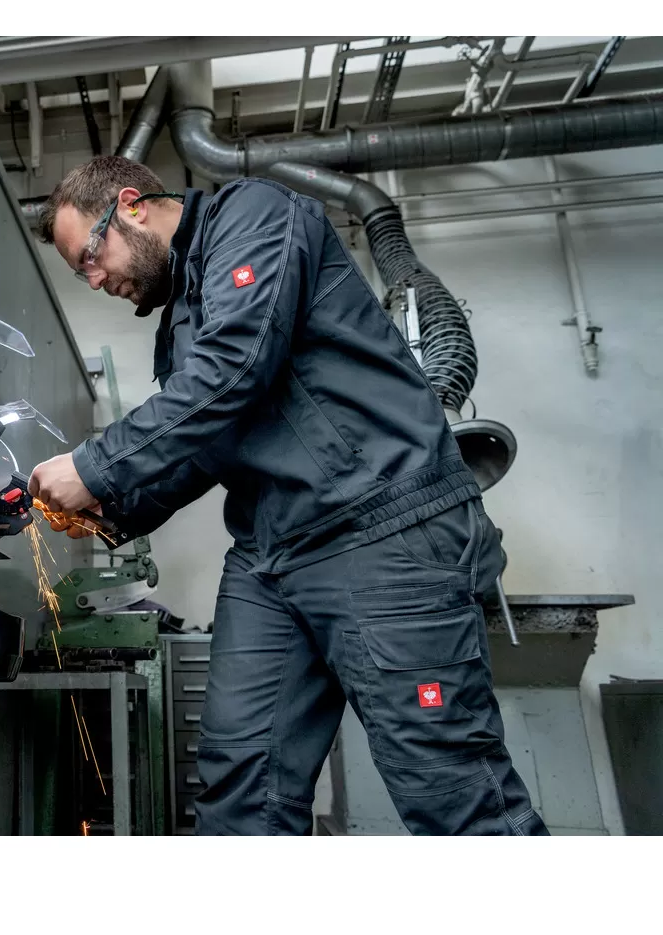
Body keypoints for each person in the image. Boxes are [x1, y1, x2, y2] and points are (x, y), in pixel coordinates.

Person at [27, 155, 548, 837]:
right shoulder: (181, 314)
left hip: (378, 527)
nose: (94, 280)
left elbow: (236, 366)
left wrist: (95, 464)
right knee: (242, 786)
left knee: (450, 788)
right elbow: (211, 438)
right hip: (270, 556)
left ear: (132, 205)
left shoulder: (254, 217)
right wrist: (111, 506)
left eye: (89, 258)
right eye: (81, 274)